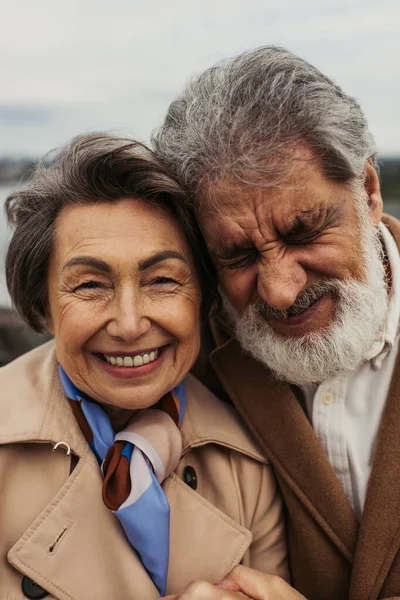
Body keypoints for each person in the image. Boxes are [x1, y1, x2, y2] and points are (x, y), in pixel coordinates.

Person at [153, 46, 400, 600]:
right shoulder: (179, 356)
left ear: (367, 190)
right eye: (237, 257)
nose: (280, 290)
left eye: (302, 231)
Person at [0, 134, 288, 599]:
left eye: (162, 280)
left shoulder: (247, 465)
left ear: (203, 299)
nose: (130, 324)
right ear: (43, 305)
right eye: (91, 285)